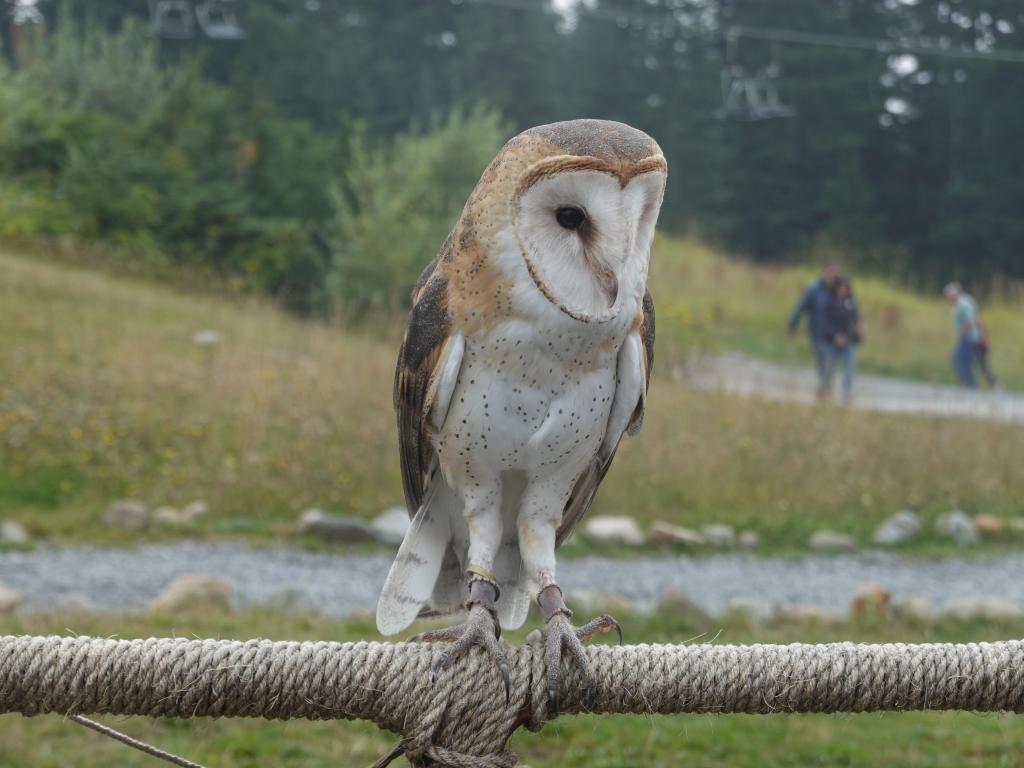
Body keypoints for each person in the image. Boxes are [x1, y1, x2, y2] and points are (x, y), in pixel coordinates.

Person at [788, 264, 841, 398]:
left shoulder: (839, 291)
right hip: (818, 332)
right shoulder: (814, 289)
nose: (832, 277)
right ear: (824, 273)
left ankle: (825, 390)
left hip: (835, 335)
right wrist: (793, 323)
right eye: (830, 273)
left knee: (830, 364)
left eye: (835, 275)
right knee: (823, 361)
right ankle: (823, 390)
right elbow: (801, 307)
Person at [823, 276, 862, 402]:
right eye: (841, 288)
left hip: (848, 341)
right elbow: (825, 322)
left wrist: (853, 333)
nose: (843, 290)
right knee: (829, 368)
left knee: (849, 369)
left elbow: (855, 321)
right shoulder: (830, 302)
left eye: (845, 288)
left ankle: (847, 393)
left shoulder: (851, 303)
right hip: (832, 340)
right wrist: (835, 335)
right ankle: (826, 391)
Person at [943, 282, 987, 388]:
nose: (949, 298)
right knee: (962, 359)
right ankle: (967, 382)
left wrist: (962, 333)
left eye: (951, 295)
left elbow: (971, 321)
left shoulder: (963, 305)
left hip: (969, 337)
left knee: (959, 359)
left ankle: (969, 383)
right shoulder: (958, 305)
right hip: (967, 337)